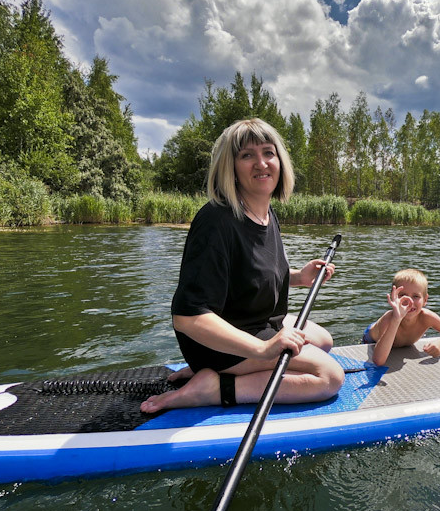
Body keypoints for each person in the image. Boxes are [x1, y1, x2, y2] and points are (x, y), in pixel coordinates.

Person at [140, 119, 344, 413]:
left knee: (323, 341)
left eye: (268, 153)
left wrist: (299, 277)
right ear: (230, 167)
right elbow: (187, 318)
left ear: (280, 161)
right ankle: (215, 386)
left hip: (255, 323)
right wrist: (262, 350)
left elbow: (248, 276)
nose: (261, 163)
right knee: (328, 376)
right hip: (221, 342)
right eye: (247, 155)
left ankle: (222, 373)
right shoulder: (216, 221)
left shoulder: (265, 213)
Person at [363, 268, 440, 367]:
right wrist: (396, 320)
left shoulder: (426, 317)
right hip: (371, 338)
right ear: (394, 297)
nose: (409, 301)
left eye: (415, 296)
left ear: (425, 299)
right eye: (402, 295)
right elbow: (378, 361)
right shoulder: (388, 319)